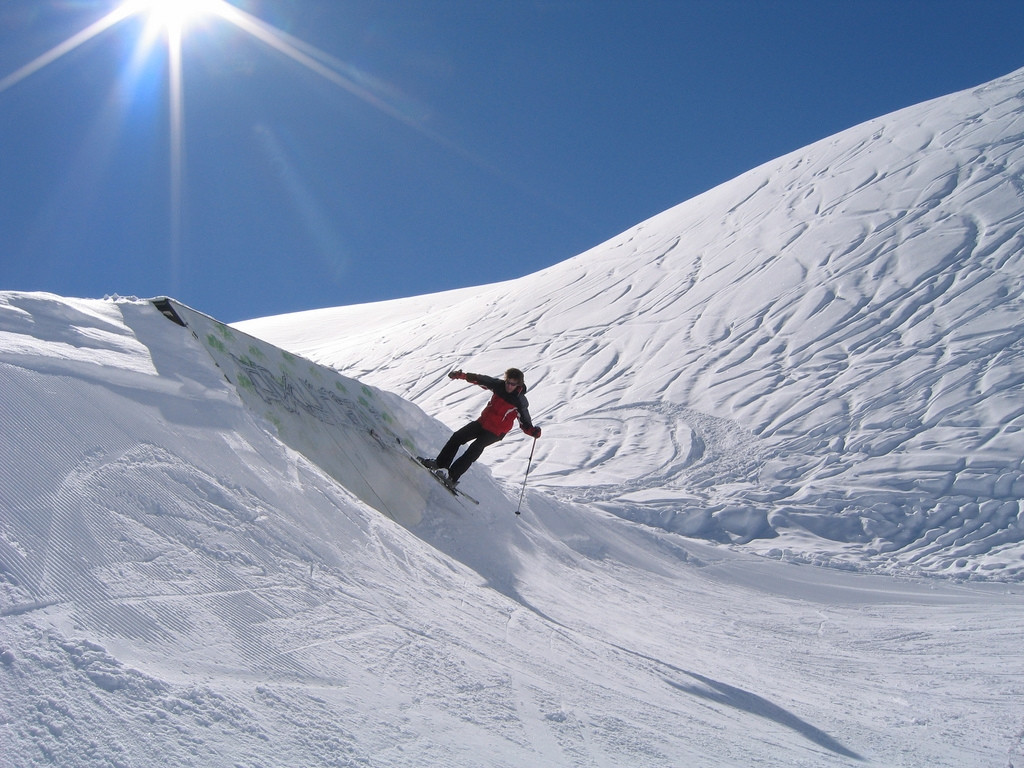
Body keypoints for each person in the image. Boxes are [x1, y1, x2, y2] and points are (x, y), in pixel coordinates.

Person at [421, 367, 541, 487]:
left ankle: (451, 477)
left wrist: (533, 432)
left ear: (518, 384)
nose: (509, 386)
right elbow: (480, 379)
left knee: (474, 449)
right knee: (457, 437)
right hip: (482, 422)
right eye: (508, 382)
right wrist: (460, 375)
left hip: (496, 432)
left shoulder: (520, 401)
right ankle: (440, 464)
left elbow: (524, 421)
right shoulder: (498, 386)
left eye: (513, 384)